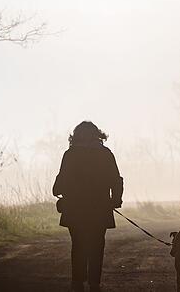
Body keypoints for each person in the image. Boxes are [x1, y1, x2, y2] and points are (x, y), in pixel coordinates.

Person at [53, 121, 123, 292]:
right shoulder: (106, 154)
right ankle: (94, 283)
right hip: (99, 210)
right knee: (97, 246)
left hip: (75, 210)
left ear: (75, 136)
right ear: (97, 135)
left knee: (78, 245)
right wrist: (115, 200)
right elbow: (116, 180)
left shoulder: (70, 155)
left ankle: (77, 282)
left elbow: (59, 184)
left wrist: (58, 190)